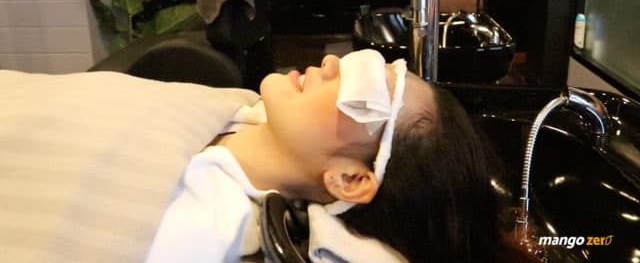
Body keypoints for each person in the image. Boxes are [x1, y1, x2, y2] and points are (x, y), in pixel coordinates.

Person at [147, 50, 533, 262]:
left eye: (363, 90)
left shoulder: (197, 230)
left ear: (350, 179)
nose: (332, 63)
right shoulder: (239, 112)